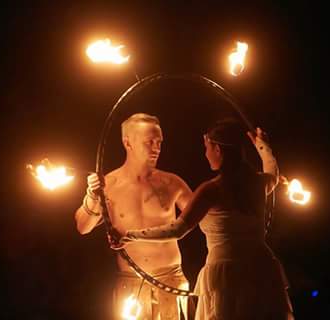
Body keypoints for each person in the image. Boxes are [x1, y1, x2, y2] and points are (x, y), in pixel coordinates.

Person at [113, 119, 294, 319]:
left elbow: (177, 230)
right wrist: (263, 147)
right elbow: (273, 174)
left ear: (217, 149)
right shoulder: (258, 182)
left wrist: (130, 236)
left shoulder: (212, 190)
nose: (205, 153)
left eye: (207, 147)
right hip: (261, 267)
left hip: (226, 275)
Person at [75, 113, 195, 319]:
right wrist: (92, 196)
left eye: (159, 142)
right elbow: (83, 227)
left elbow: (207, 217)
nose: (156, 147)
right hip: (130, 283)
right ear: (127, 142)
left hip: (170, 280)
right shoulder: (109, 184)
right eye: (150, 142)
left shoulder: (171, 183)